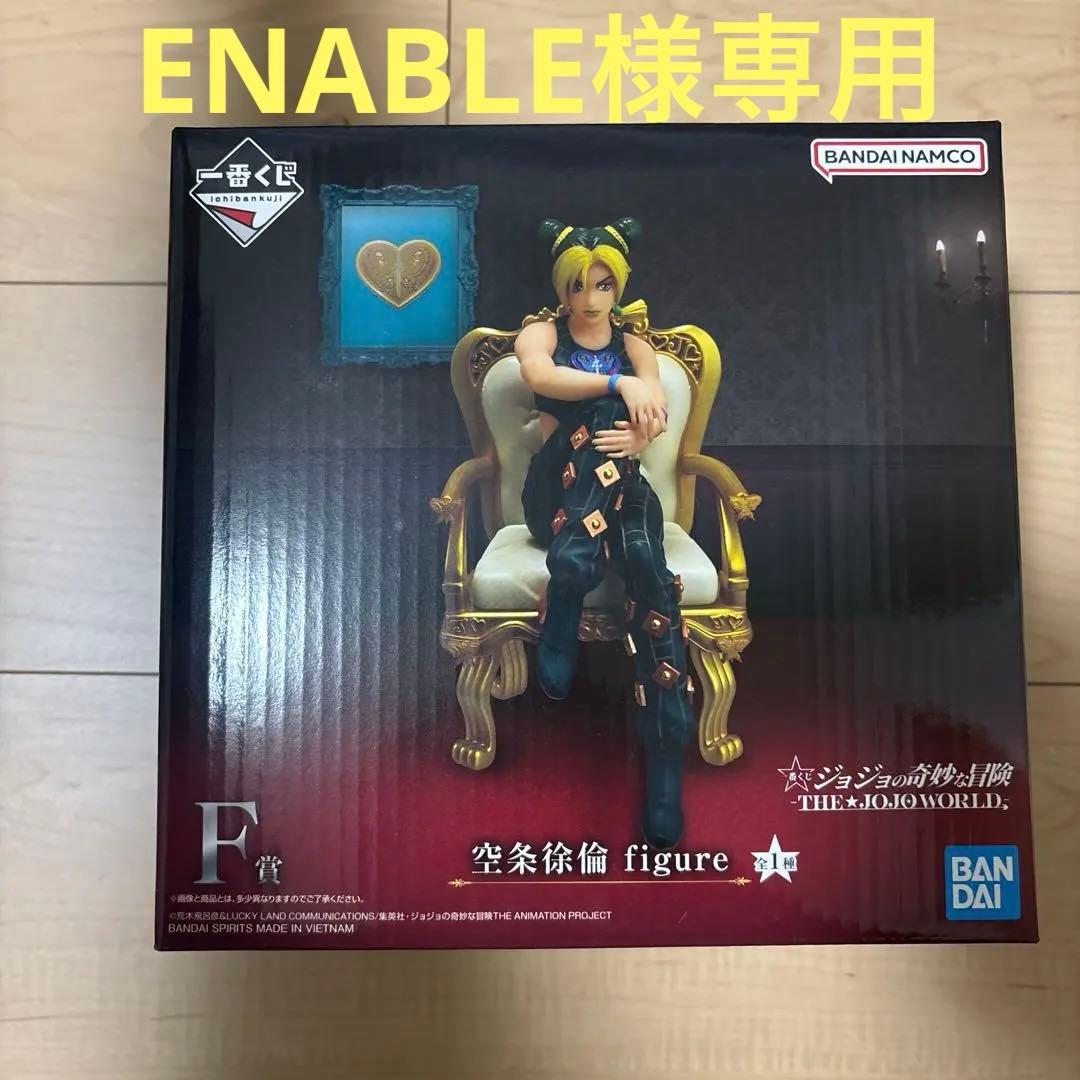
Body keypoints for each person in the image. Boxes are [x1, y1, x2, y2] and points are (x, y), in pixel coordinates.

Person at [515, 217, 695, 851]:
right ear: (560, 288)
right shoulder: (543, 333)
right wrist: (621, 386)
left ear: (619, 287)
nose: (589, 299)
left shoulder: (635, 344)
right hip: (553, 496)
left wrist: (643, 433)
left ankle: (664, 763)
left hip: (620, 498)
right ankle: (567, 579)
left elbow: (657, 417)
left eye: (602, 285)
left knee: (646, 562)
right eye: (577, 286)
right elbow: (541, 378)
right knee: (599, 418)